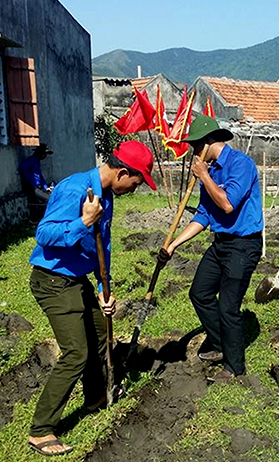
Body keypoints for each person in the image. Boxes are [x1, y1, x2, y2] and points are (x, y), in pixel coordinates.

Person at [27, 140, 156, 456]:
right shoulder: (76, 190)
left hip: (77, 279)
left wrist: (102, 289)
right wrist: (83, 221)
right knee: (76, 353)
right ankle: (41, 430)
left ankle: (96, 395)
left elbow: (104, 247)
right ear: (123, 172)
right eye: (136, 183)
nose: (135, 190)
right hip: (53, 280)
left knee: (101, 336)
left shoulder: (106, 197)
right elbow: (44, 234)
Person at [161, 115, 263, 382]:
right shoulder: (212, 170)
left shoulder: (241, 164)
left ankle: (235, 367)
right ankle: (219, 343)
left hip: (243, 245)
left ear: (207, 143)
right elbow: (204, 215)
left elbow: (228, 204)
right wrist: (173, 244)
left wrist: (204, 176)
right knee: (200, 293)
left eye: (195, 146)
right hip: (221, 244)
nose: (194, 153)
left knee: (229, 307)